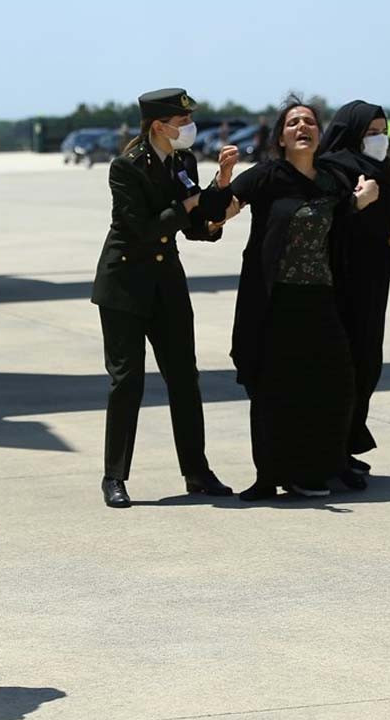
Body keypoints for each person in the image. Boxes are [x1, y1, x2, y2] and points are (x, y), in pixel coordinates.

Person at [90, 87, 240, 509]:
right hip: (125, 283)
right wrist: (189, 206)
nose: (189, 128)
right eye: (182, 122)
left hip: (166, 282)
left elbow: (194, 226)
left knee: (184, 378)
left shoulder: (183, 161)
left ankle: (197, 471)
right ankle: (114, 476)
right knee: (127, 382)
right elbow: (141, 228)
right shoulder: (126, 167)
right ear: (159, 126)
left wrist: (220, 190)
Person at [228, 98, 379, 501]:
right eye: (293, 123)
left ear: (319, 133)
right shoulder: (267, 176)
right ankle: (269, 476)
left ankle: (317, 469)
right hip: (275, 300)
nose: (302, 128)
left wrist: (365, 202)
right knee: (272, 389)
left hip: (321, 298)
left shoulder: (333, 179)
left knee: (336, 384)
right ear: (280, 137)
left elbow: (348, 218)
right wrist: (223, 183)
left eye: (309, 122)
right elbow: (225, 206)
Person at [319, 101, 390, 489]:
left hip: (373, 281)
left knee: (367, 365)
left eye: (383, 131)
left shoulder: (382, 167)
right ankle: (330, 454)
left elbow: (383, 219)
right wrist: (388, 228)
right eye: (371, 132)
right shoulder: (332, 168)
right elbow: (339, 223)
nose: (380, 139)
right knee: (344, 369)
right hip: (343, 282)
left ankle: (345, 446)